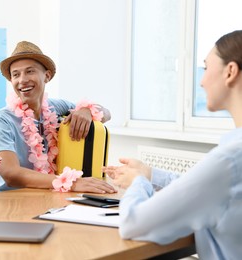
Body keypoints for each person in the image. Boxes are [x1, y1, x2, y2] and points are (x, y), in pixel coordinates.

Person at [103, 30, 242, 259]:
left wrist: (138, 183)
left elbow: (133, 223)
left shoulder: (229, 161)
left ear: (230, 72)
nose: (202, 81)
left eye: (206, 68)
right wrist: (149, 175)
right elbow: (201, 189)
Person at [0, 41, 115, 193]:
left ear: (46, 76)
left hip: (50, 195)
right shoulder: (0, 121)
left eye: (30, 71)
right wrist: (71, 183)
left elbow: (106, 113)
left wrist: (87, 110)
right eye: (16, 74)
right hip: (12, 200)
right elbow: (11, 174)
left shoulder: (56, 107)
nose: (22, 80)